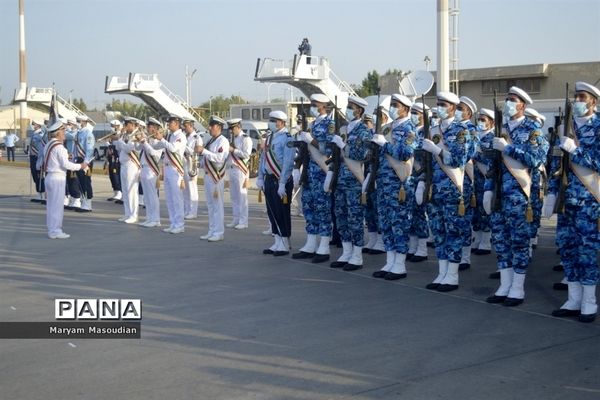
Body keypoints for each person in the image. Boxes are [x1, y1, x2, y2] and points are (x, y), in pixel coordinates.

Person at [484, 86, 549, 306]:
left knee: (519, 243)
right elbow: (492, 165)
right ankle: (504, 285)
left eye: (512, 100)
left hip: (519, 197)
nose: (508, 103)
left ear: (523, 104)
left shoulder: (532, 130)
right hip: (499, 196)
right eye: (507, 99)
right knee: (501, 241)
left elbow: (535, 159)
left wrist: (508, 149)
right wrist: (488, 189)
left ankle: (518, 288)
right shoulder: (500, 129)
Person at [544, 81, 599, 323]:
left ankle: (589, 302)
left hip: (590, 201)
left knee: (587, 252)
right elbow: (556, 165)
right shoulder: (566, 127)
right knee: (568, 249)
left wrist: (574, 150)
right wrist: (552, 192)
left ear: (593, 102)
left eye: (582, 97)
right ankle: (573, 299)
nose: (577, 101)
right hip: (567, 202)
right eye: (575, 97)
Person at [421, 91, 471, 292]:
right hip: (435, 190)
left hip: (452, 189)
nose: (439, 107)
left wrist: (438, 150)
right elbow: (423, 162)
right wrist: (422, 181)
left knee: (453, 232)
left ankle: (452, 275)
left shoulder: (461, 131)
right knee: (439, 232)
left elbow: (459, 160)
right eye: (438, 103)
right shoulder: (432, 129)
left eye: (443, 104)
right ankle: (441, 273)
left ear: (452, 107)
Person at [370, 94, 416, 279]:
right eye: (392, 105)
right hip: (383, 184)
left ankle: (400, 264)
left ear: (405, 108)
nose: (393, 108)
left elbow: (405, 153)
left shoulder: (410, 129)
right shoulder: (387, 128)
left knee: (399, 224)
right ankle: (390, 262)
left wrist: (385, 145)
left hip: (399, 185)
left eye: (396, 105)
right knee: (386, 224)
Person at [329, 96, 372, 270]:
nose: (347, 110)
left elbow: (363, 155)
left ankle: (356, 255)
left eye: (350, 107)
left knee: (355, 219)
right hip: (340, 180)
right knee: (341, 217)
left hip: (354, 181)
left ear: (359, 111)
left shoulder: (364, 131)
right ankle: (346, 251)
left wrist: (344, 147)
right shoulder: (344, 129)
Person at [292, 94, 333, 263]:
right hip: (309, 173)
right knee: (309, 207)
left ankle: (323, 246)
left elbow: (328, 149)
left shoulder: (330, 124)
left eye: (315, 104)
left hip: (322, 173)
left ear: (324, 105)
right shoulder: (313, 123)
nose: (313, 106)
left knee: (322, 209)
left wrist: (312, 141)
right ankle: (310, 243)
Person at [40, 120, 87, 239]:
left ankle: (52, 229)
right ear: (58, 133)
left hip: (50, 176)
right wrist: (81, 166)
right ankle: (56, 230)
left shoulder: (49, 144)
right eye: (63, 131)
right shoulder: (60, 147)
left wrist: (67, 157)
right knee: (57, 205)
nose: (64, 133)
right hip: (57, 178)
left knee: (51, 205)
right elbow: (66, 165)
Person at [257, 111, 295, 255]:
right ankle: (277, 241)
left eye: (274, 120)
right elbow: (263, 159)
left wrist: (283, 183)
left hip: (280, 181)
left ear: (282, 122)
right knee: (271, 211)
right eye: (271, 120)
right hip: (269, 179)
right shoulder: (269, 137)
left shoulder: (287, 138)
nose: (271, 122)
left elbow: (288, 162)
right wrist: (260, 176)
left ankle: (285, 243)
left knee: (282, 212)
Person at [197, 116, 230, 241]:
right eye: (210, 125)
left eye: (212, 126)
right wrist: (199, 163)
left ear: (219, 127)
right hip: (207, 175)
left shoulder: (223, 141)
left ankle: (219, 232)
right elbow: (207, 158)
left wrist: (204, 151)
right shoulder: (211, 140)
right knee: (210, 205)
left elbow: (220, 158)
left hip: (216, 177)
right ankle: (212, 230)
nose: (209, 128)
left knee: (217, 206)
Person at [455, 96, 479, 270]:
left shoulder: (471, 130)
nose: (456, 110)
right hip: (452, 179)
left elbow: (471, 154)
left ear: (468, 113)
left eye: (460, 108)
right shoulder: (453, 128)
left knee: (463, 220)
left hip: (464, 179)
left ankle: (465, 256)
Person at [153, 114, 187, 234]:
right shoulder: (170, 136)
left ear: (176, 123)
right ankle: (173, 223)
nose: (168, 124)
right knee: (169, 199)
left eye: (170, 122)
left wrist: (162, 139)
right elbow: (156, 146)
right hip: (167, 169)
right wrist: (154, 138)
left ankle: (180, 224)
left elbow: (172, 148)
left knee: (177, 199)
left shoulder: (180, 136)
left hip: (175, 169)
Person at [406, 102, 431, 263]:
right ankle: (413, 246)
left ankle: (422, 249)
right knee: (411, 212)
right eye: (412, 112)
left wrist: (423, 180)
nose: (414, 115)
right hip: (410, 177)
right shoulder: (411, 132)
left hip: (422, 177)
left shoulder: (428, 133)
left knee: (420, 213)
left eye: (417, 112)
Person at [471, 108, 495, 256]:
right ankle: (477, 239)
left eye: (483, 120)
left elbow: (491, 160)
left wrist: (475, 154)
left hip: (486, 179)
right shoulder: (475, 137)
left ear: (491, 122)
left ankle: (486, 242)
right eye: (479, 119)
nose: (480, 122)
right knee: (476, 211)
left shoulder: (493, 138)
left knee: (485, 210)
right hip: (474, 179)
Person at [113, 117, 142, 223]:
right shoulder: (125, 135)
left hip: (132, 165)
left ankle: (134, 215)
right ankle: (127, 213)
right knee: (125, 190)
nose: (125, 126)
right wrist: (120, 139)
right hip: (124, 164)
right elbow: (118, 148)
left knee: (132, 191)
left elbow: (129, 148)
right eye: (125, 124)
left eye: (128, 124)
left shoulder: (137, 135)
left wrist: (120, 142)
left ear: (133, 125)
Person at [137, 117, 164, 228]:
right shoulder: (148, 140)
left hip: (151, 170)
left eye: (150, 126)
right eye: (148, 126)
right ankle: (149, 218)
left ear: (155, 128)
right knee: (147, 197)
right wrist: (140, 140)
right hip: (143, 168)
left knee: (153, 196)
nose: (148, 128)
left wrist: (145, 142)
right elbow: (138, 148)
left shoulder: (158, 141)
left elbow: (154, 154)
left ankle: (156, 219)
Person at [226, 118, 253, 229]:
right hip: (232, 169)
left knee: (242, 196)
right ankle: (236, 218)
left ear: (238, 127)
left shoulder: (245, 139)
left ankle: (243, 221)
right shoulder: (233, 139)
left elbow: (246, 155)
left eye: (233, 129)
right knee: (234, 197)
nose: (231, 131)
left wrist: (233, 150)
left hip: (240, 170)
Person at [73, 115, 95, 212]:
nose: (77, 122)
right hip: (79, 160)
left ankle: (88, 204)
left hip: (86, 161)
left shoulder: (88, 134)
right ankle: (84, 202)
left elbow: (89, 150)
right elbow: (75, 148)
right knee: (80, 182)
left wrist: (86, 162)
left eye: (79, 121)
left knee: (86, 182)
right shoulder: (78, 133)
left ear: (84, 122)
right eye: (77, 120)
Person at [182, 118, 202, 219]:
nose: (184, 128)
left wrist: (183, 146)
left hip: (192, 164)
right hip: (184, 163)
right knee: (185, 189)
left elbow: (196, 151)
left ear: (191, 126)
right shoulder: (184, 137)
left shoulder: (197, 137)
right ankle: (186, 210)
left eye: (185, 126)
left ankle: (193, 211)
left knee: (192, 189)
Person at [64, 119, 82, 211]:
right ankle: (72, 198)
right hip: (69, 159)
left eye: (69, 124)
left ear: (74, 125)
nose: (67, 125)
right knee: (69, 180)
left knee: (74, 180)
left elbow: (67, 136)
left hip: (74, 159)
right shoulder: (69, 133)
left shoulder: (76, 134)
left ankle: (77, 199)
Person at [28, 119, 46, 202]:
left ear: (38, 125)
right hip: (32, 157)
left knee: (39, 176)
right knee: (35, 175)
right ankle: (38, 193)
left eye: (34, 124)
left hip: (37, 157)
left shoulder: (41, 134)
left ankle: (42, 193)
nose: (33, 125)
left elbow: (42, 147)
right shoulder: (34, 134)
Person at [106, 119, 123, 202]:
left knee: (116, 175)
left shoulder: (120, 135)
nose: (112, 128)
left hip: (118, 159)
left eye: (113, 126)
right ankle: (116, 192)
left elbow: (118, 142)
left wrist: (111, 140)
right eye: (111, 126)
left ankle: (119, 192)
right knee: (112, 176)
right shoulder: (112, 135)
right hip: (111, 158)